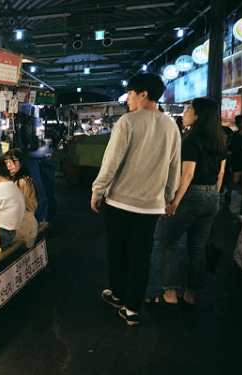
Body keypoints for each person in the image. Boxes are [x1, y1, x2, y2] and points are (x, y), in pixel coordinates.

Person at [90, 73, 181, 326]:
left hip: (119, 202)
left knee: (117, 251)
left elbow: (111, 162)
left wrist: (98, 191)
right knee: (141, 255)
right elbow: (174, 167)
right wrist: (167, 198)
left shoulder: (127, 122)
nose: (127, 99)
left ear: (143, 94)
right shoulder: (171, 126)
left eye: (130, 93)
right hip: (151, 206)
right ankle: (132, 310)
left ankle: (118, 294)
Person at [147, 98, 226, 309]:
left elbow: (188, 174)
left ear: (198, 115)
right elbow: (221, 172)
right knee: (197, 248)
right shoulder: (220, 138)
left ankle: (170, 293)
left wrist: (174, 203)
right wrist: (212, 196)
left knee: (165, 242)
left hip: (191, 195)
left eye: (189, 109)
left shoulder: (192, 139)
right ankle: (190, 295)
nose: (185, 112)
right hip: (212, 197)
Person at [4, 148, 42, 247]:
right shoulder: (19, 180)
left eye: (13, 161)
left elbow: (19, 208)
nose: (9, 166)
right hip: (24, 224)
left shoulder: (22, 182)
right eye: (6, 162)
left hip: (23, 227)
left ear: (21, 163)